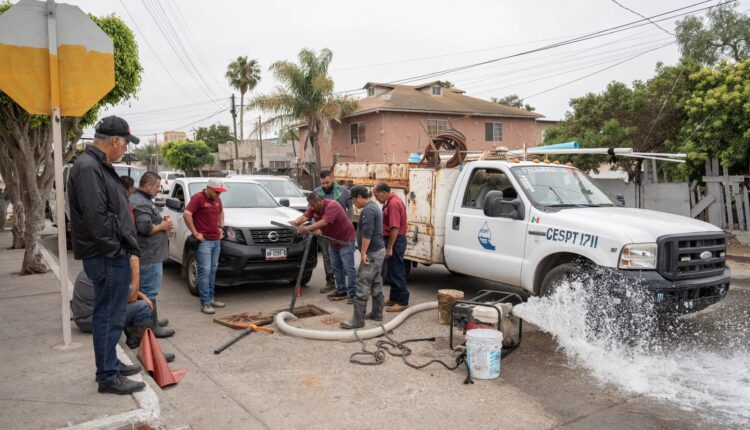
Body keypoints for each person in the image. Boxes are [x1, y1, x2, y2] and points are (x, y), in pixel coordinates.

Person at [67, 115, 145, 395]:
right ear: (114, 140)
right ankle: (108, 375)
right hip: (107, 255)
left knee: (112, 313)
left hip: (109, 253)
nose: (125, 148)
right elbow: (96, 217)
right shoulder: (89, 168)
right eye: (125, 143)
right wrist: (117, 250)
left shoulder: (96, 165)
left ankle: (110, 364)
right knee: (109, 316)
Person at [129, 171, 175, 337]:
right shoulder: (141, 203)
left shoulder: (141, 200)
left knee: (147, 291)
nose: (158, 189)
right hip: (149, 254)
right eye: (157, 187)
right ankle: (151, 327)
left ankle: (152, 320)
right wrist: (163, 226)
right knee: (149, 292)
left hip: (148, 253)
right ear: (148, 186)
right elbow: (145, 228)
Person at [291, 193, 356, 302]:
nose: (311, 207)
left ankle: (353, 294)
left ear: (320, 202)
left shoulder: (332, 205)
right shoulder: (314, 207)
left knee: (348, 268)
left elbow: (324, 222)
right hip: (333, 240)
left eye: (312, 205)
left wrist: (306, 228)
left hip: (345, 239)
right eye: (309, 205)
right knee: (336, 267)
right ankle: (341, 291)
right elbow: (305, 216)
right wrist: (296, 221)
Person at [340, 186, 386, 329]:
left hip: (372, 252)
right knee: (376, 282)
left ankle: (357, 321)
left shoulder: (368, 210)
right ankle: (377, 314)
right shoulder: (374, 207)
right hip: (378, 251)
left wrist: (363, 253)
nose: (354, 204)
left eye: (354, 201)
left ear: (359, 197)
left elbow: (367, 233)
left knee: (362, 284)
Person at [184, 178, 227, 314]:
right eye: (216, 192)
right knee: (205, 271)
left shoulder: (217, 200)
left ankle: (211, 298)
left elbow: (221, 212)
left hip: (216, 240)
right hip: (204, 242)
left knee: (213, 269)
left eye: (220, 193)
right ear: (208, 188)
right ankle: (205, 303)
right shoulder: (198, 198)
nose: (218, 195)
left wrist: (221, 227)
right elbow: (187, 214)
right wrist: (196, 233)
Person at [314, 170, 352, 293]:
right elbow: (313, 211)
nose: (325, 185)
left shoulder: (343, 191)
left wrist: (350, 223)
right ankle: (330, 281)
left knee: (344, 256)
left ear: (332, 179)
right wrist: (317, 228)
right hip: (324, 231)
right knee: (327, 257)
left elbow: (350, 207)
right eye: (323, 183)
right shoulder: (316, 193)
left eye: (327, 182)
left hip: (341, 231)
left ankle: (344, 284)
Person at [374, 182, 410, 312]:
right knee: (392, 271)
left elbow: (395, 228)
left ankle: (402, 301)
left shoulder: (394, 204)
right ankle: (394, 297)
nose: (376, 198)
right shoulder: (390, 201)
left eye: (377, 195)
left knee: (397, 271)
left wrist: (389, 247)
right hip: (394, 240)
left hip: (395, 240)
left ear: (383, 193)